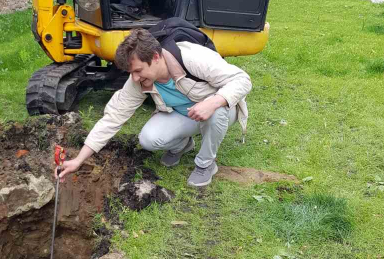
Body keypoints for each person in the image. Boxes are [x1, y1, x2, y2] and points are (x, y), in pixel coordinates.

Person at [57, 28, 251, 188]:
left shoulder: (191, 57)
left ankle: (206, 164)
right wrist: (78, 160)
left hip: (222, 109)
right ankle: (183, 145)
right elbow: (112, 118)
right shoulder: (139, 81)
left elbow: (242, 80)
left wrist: (214, 101)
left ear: (156, 57)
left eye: (138, 71)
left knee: (216, 114)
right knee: (148, 139)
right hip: (186, 116)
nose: (134, 78)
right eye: (130, 73)